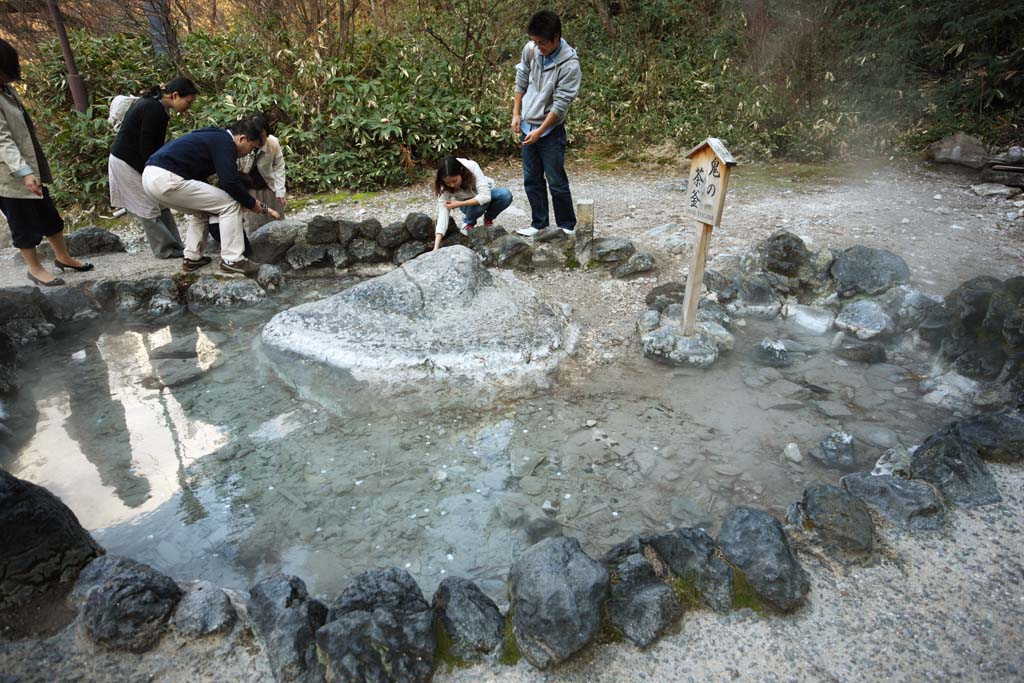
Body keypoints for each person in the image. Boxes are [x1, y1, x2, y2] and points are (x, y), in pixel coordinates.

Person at [0, 39, 91, 287]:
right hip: (8, 176)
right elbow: (2, 140)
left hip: (28, 168)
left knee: (49, 216)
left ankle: (63, 257)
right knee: (23, 224)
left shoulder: (6, 90)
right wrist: (24, 172)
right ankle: (35, 269)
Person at [142, 119, 280, 277]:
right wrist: (254, 204)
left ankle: (192, 258)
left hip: (151, 177)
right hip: (167, 177)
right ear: (242, 138)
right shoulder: (225, 142)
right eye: (251, 147)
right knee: (231, 203)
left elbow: (202, 178)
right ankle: (233, 260)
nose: (249, 153)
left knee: (203, 209)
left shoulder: (213, 137)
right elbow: (229, 182)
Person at [108, 76, 198, 259]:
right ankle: (165, 249)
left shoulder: (157, 105)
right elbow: (146, 145)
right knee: (147, 206)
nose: (189, 107)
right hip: (127, 162)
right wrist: (153, 171)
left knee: (161, 201)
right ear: (175, 95)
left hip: (137, 159)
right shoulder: (154, 108)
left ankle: (175, 245)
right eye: (188, 102)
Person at [511, 9, 581, 237]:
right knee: (531, 179)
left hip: (550, 130)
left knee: (556, 180)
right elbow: (521, 79)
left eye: (542, 42)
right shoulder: (531, 50)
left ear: (556, 38)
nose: (537, 46)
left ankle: (566, 226)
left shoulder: (569, 65)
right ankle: (538, 223)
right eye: (534, 41)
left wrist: (541, 131)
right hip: (527, 126)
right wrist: (516, 114)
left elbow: (561, 104)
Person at [432, 155, 513, 251]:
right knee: (480, 204)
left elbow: (485, 196)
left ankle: (488, 219)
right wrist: (435, 248)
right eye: (448, 183)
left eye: (455, 181)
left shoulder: (471, 167)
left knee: (505, 195)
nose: (452, 185)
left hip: (481, 196)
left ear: (461, 172)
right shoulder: (443, 185)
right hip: (468, 206)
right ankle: (469, 222)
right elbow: (443, 214)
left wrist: (457, 204)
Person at [237, 113, 286, 233]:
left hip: (268, 186)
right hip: (249, 188)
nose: (263, 140)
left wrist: (280, 191)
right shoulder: (239, 144)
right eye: (259, 137)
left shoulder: (272, 142)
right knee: (252, 225)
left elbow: (279, 166)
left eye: (265, 136)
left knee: (277, 224)